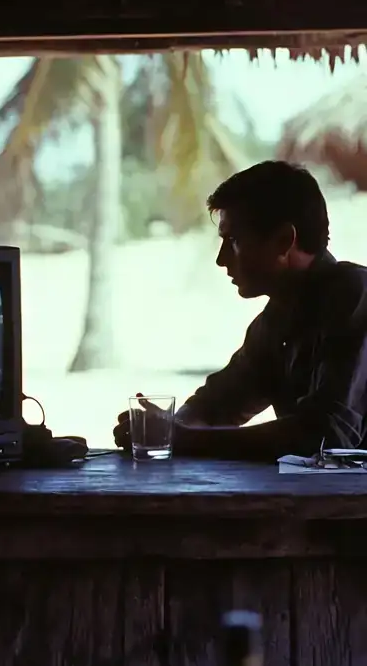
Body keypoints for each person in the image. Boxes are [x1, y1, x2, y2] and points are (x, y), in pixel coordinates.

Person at [113, 161, 367, 461]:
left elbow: (327, 436)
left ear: (284, 241)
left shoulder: (355, 295)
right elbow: (217, 404)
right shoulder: (274, 323)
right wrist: (169, 428)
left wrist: (184, 438)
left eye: (233, 241)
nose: (221, 260)